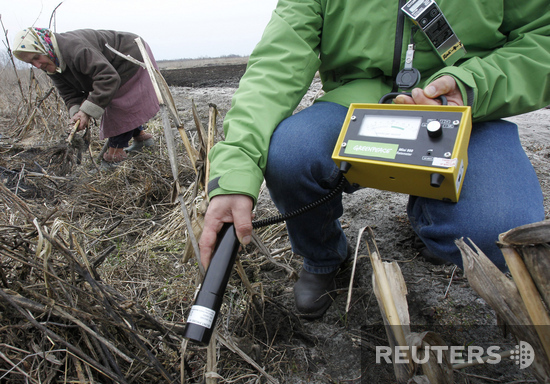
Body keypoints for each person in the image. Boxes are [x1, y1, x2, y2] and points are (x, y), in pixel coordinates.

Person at [200, 0, 550, 319]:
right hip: (357, 99)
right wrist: (236, 168)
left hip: (463, 104)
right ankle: (324, 258)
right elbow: (275, 67)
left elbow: (541, 37)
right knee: (290, 154)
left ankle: (434, 214)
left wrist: (471, 86)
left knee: (499, 231)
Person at [13, 28, 159, 164]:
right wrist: (77, 114)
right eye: (31, 62)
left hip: (131, 54)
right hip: (114, 67)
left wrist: (87, 111)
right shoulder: (52, 63)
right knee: (111, 100)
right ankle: (141, 139)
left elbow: (108, 78)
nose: (37, 65)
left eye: (37, 57)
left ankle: (116, 154)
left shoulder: (75, 49)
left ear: (44, 47)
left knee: (119, 104)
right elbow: (69, 93)